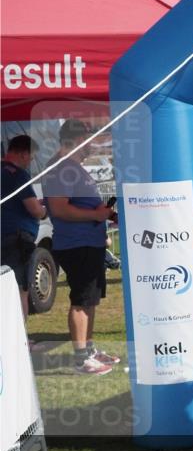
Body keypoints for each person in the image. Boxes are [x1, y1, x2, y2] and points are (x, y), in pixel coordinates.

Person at [42, 120, 119, 375]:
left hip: (89, 242)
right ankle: (81, 359)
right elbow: (59, 208)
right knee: (81, 301)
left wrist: (102, 214)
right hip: (77, 244)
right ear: (77, 140)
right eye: (90, 140)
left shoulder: (71, 167)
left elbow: (78, 205)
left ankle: (89, 351)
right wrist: (95, 216)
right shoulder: (61, 167)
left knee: (90, 300)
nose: (93, 146)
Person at [1, 135, 48, 324]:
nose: (31, 161)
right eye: (31, 156)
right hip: (15, 240)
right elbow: (34, 210)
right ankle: (22, 342)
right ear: (22, 154)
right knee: (20, 289)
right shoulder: (18, 175)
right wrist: (45, 211)